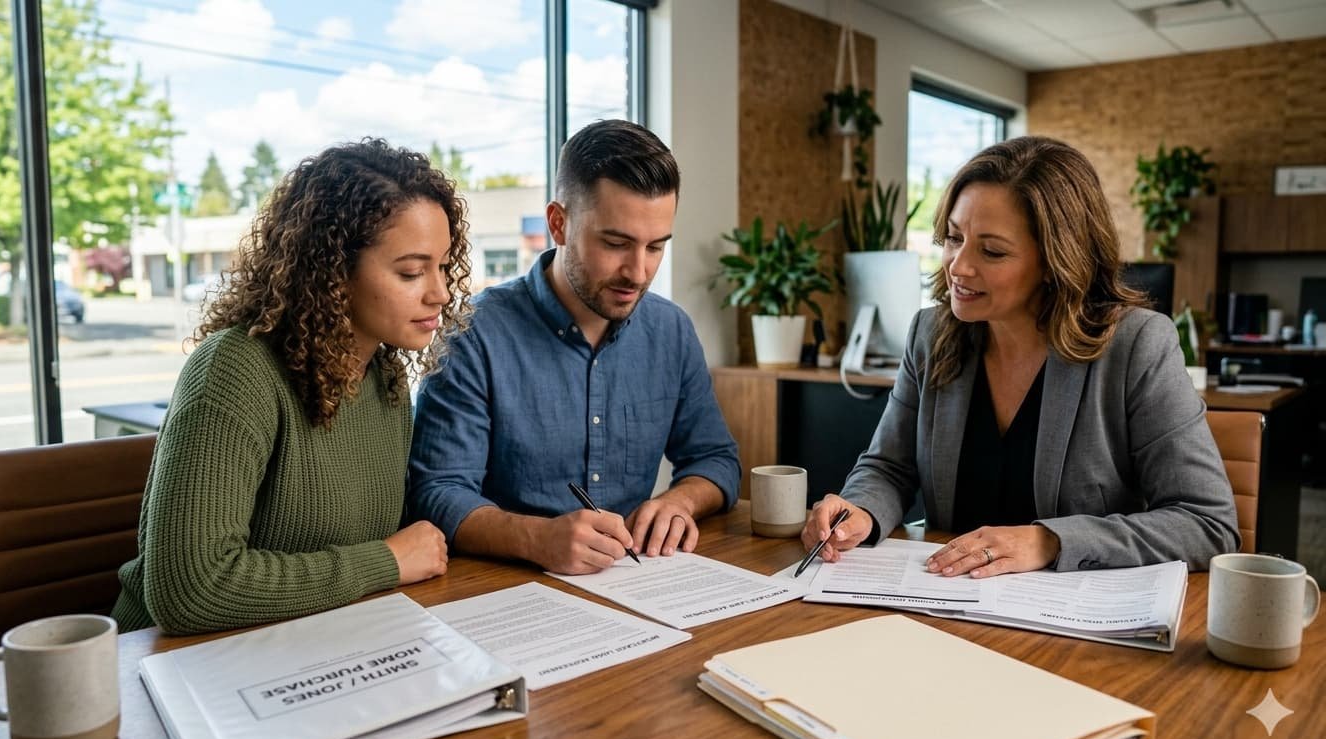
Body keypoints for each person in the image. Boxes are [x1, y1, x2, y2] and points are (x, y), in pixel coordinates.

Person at [802, 135, 1238, 576]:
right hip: (948, 600)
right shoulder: (930, 334)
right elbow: (888, 468)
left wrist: (1050, 541)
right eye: (954, 237)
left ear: (1057, 260)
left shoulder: (1137, 345)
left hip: (1070, 621)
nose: (958, 265)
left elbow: (1207, 524)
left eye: (992, 251)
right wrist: (859, 511)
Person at [111, 139, 471, 634]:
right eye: (411, 271)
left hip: (309, 642)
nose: (441, 291)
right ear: (332, 272)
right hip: (171, 664)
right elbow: (190, 590)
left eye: (444, 266)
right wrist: (385, 562)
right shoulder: (236, 370)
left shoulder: (384, 377)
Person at [409, 119, 739, 575]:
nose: (638, 272)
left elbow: (715, 459)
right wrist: (537, 538)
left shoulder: (671, 332)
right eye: (616, 243)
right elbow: (437, 490)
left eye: (655, 247)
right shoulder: (474, 333)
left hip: (634, 583)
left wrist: (680, 501)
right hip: (502, 588)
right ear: (558, 224)